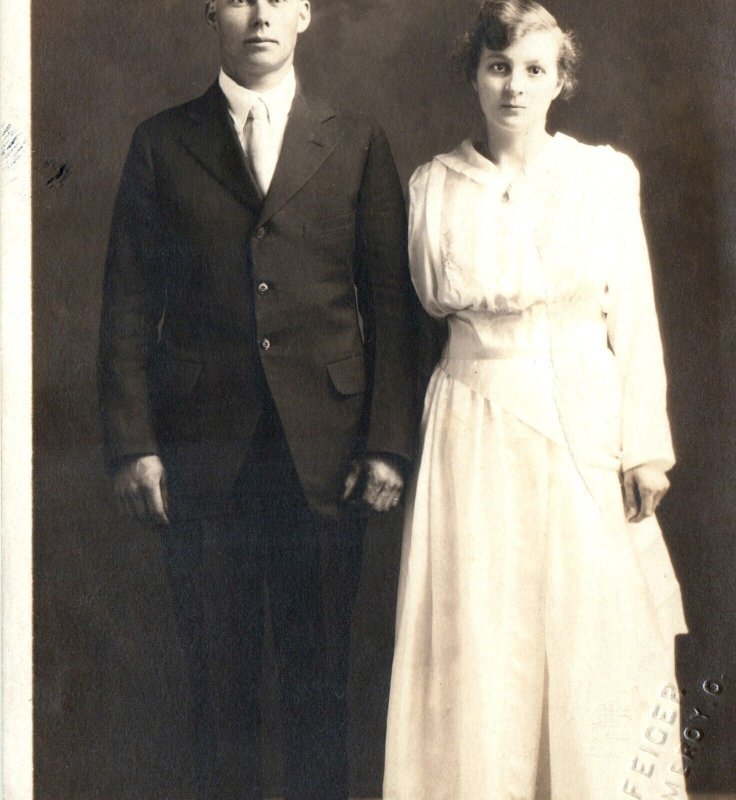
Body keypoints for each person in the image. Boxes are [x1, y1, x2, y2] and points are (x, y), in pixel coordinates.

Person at [97, 1, 415, 798]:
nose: (260, 14)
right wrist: (134, 444)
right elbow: (127, 306)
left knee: (322, 687)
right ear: (212, 13)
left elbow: (392, 308)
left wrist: (386, 443)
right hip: (202, 454)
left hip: (329, 457)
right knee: (218, 692)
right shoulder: (162, 142)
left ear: (306, 14)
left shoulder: (358, 138)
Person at [383, 2, 688, 798]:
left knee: (595, 628)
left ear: (561, 80)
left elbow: (637, 318)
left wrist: (644, 445)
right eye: (497, 67)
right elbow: (419, 315)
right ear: (474, 76)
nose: (514, 87)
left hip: (582, 415)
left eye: (533, 69)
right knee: (484, 629)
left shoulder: (603, 177)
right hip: (473, 421)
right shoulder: (432, 188)